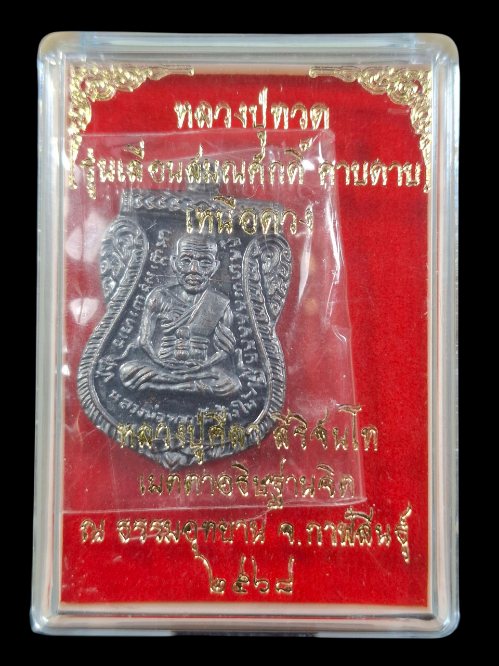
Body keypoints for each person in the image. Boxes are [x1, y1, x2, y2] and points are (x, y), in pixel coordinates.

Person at [119, 233, 242, 397]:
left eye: (205, 263)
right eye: (186, 261)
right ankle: (187, 386)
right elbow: (144, 341)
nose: (194, 270)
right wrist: (162, 364)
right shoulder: (159, 296)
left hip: (200, 369)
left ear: (215, 266)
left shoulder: (219, 304)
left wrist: (201, 367)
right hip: (162, 366)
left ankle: (169, 386)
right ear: (174, 263)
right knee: (127, 371)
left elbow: (223, 351)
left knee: (232, 384)